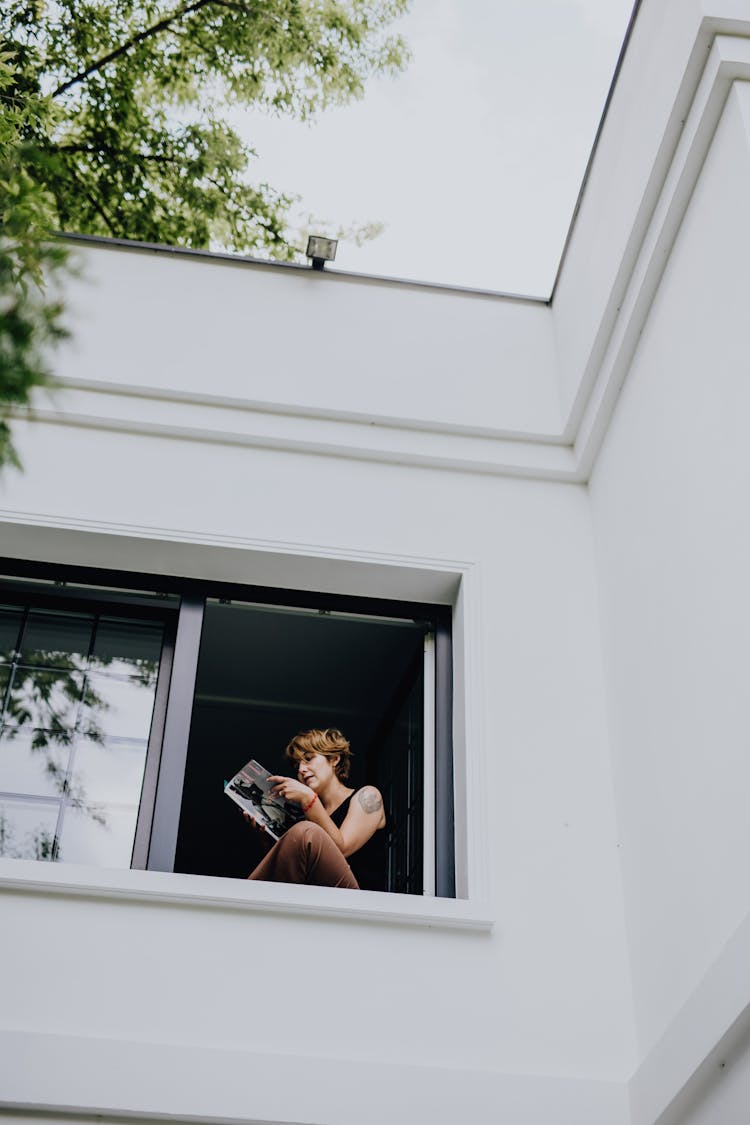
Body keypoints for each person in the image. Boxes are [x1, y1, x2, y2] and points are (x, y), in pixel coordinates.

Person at [245, 728, 387, 891]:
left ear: (334, 759)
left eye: (308, 759)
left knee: (305, 831)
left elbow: (341, 850)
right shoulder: (305, 816)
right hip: (314, 899)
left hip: (358, 901)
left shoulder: (368, 795)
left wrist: (308, 799)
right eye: (297, 765)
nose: (300, 770)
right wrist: (266, 839)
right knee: (302, 831)